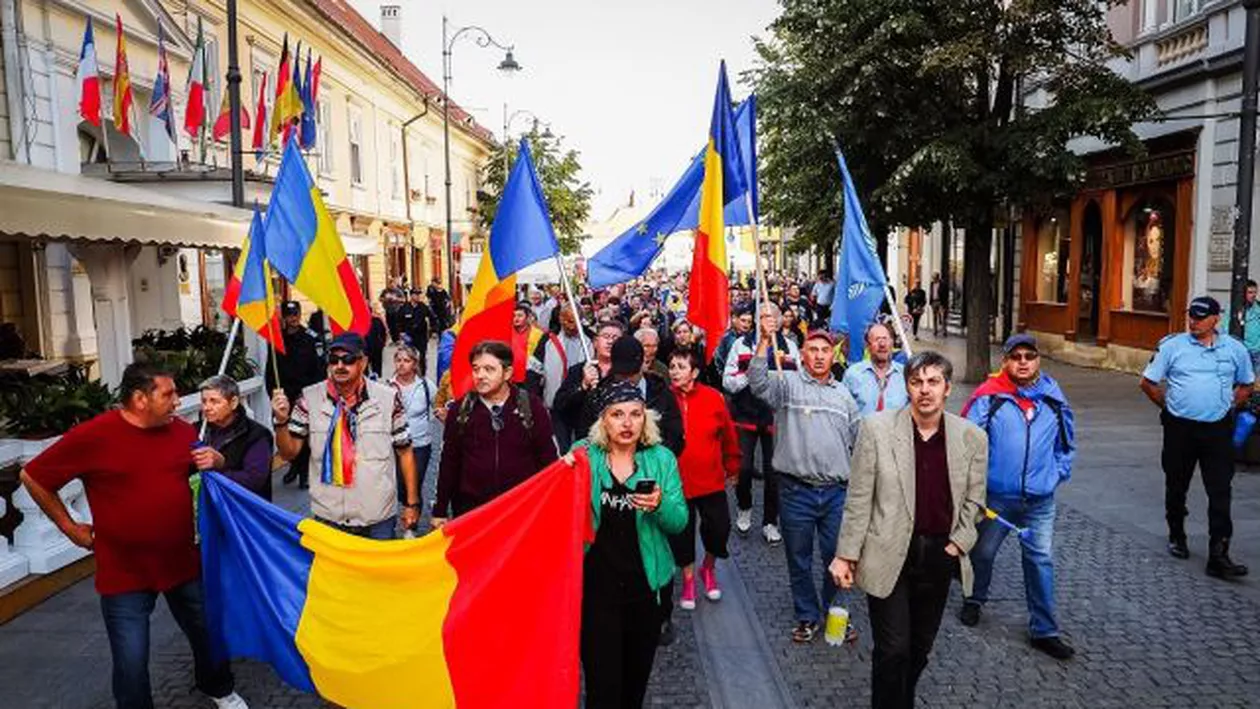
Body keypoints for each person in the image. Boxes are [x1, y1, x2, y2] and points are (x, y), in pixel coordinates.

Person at [19, 363, 248, 709]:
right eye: (168, 394)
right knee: (131, 659)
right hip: (124, 571)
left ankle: (219, 688)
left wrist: (217, 460)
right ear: (140, 399)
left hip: (182, 562)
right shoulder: (93, 436)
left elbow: (201, 474)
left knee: (208, 631)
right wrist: (70, 528)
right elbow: (33, 477)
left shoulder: (181, 431)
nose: (178, 401)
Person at [831, 351, 987, 709]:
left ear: (948, 388)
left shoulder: (971, 437)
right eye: (917, 382)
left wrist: (958, 544)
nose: (925, 390)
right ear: (907, 387)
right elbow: (859, 497)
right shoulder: (877, 429)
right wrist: (846, 555)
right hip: (888, 553)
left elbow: (975, 500)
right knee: (892, 649)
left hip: (939, 556)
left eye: (933, 382)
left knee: (919, 649)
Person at [957, 334, 1076, 660]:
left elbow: (1066, 443)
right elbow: (967, 442)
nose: (1023, 362)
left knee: (1040, 561)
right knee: (983, 553)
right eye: (1016, 356)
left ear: (1038, 360)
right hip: (997, 499)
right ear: (1005, 361)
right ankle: (974, 599)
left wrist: (1056, 474)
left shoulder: (1053, 398)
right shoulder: (990, 397)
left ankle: (1044, 630)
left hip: (1039, 502)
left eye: (1029, 356)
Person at [570, 380, 687, 709]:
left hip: (645, 592)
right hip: (596, 593)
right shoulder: (583, 456)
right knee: (602, 691)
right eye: (617, 414)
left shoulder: (661, 459)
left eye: (635, 414)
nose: (627, 423)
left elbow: (679, 521)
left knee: (633, 691)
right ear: (603, 420)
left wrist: (660, 504)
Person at [749, 315, 861, 643]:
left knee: (836, 557)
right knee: (798, 559)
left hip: (837, 493)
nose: (819, 356)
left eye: (825, 350)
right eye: (813, 350)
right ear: (803, 355)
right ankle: (807, 615)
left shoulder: (844, 395)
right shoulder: (787, 385)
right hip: (795, 491)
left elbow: (860, 441)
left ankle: (835, 613)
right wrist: (764, 340)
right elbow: (757, 382)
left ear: (832, 355)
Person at [1139, 296, 1252, 578]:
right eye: (1191, 316)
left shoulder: (1235, 348)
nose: (1193, 322)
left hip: (1217, 429)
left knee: (1220, 490)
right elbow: (1148, 383)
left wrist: (1228, 406)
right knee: (1177, 483)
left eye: (1200, 318)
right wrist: (1168, 408)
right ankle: (1177, 534)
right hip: (1180, 428)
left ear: (1216, 319)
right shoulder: (1172, 346)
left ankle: (1219, 554)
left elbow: (1246, 384)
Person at [272, 332, 422, 539]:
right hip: (328, 518)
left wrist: (412, 503)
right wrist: (281, 421)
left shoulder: (388, 399)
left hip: (377, 518)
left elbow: (405, 452)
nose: (340, 366)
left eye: (348, 359)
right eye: (334, 359)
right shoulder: (308, 400)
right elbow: (288, 453)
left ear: (363, 362)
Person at [433, 340, 558, 523]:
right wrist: (440, 510)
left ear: (507, 373)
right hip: (472, 512)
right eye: (476, 369)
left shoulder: (532, 407)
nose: (480, 375)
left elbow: (548, 459)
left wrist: (552, 503)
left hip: (521, 510)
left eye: (489, 369)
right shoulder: (460, 410)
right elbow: (449, 462)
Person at [668, 348, 740, 610]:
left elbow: (729, 435)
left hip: (710, 479)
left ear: (695, 372)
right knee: (682, 534)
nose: (674, 371)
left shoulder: (713, 398)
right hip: (677, 482)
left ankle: (707, 568)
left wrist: (733, 465)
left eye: (681, 366)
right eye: (672, 366)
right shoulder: (665, 398)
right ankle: (688, 579)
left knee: (719, 528)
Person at [724, 302, 800, 546]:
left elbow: (797, 380)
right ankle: (744, 506)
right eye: (763, 316)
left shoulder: (790, 347)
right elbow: (728, 381)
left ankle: (770, 521)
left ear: (779, 321)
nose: (768, 320)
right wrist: (752, 375)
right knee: (744, 468)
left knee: (773, 473)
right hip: (746, 415)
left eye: (772, 316)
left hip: (775, 417)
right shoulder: (741, 344)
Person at [557, 335, 685, 458]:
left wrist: (650, 458)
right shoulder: (598, 395)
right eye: (622, 374)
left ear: (643, 364)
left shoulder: (661, 393)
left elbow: (675, 438)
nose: (627, 379)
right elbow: (586, 437)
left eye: (632, 373)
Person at [268, 301, 325, 488]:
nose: (292, 318)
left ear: (300, 315)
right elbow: (271, 370)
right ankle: (294, 466)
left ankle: (305, 472)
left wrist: (312, 395)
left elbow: (319, 370)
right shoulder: (277, 340)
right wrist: (273, 394)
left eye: (295, 314)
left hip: (305, 395)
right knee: (287, 432)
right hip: (285, 396)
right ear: (284, 317)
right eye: (289, 315)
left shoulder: (311, 338)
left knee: (304, 434)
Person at [195, 375, 274, 501]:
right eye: (204, 401)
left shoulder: (256, 435)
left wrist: (221, 465)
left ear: (233, 402)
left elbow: (254, 481)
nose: (206, 408)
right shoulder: (198, 430)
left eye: (214, 401)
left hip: (243, 506)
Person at [389, 345, 437, 513]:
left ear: (415, 364)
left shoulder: (426, 386)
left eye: (407, 360)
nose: (401, 364)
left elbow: (438, 406)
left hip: (420, 445)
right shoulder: (387, 387)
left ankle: (412, 520)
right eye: (398, 360)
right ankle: (406, 508)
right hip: (395, 445)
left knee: (414, 485)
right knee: (400, 485)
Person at [843, 323, 909, 417]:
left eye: (885, 339)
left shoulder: (906, 375)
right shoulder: (852, 374)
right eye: (877, 339)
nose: (882, 344)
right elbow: (844, 412)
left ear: (892, 343)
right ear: (867, 345)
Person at [365, 301, 389, 378]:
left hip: (376, 347)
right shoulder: (361, 322)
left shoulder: (376, 320)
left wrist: (382, 343)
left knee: (376, 368)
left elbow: (384, 332)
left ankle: (376, 377)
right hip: (365, 348)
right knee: (364, 368)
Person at [929, 273, 948, 337]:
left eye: (934, 278)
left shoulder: (943, 284)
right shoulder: (932, 284)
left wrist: (944, 304)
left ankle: (944, 331)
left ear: (937, 277)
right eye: (933, 278)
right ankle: (935, 330)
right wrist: (930, 302)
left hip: (940, 302)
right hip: (934, 302)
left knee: (943, 317)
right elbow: (931, 292)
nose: (933, 279)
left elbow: (946, 294)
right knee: (934, 317)